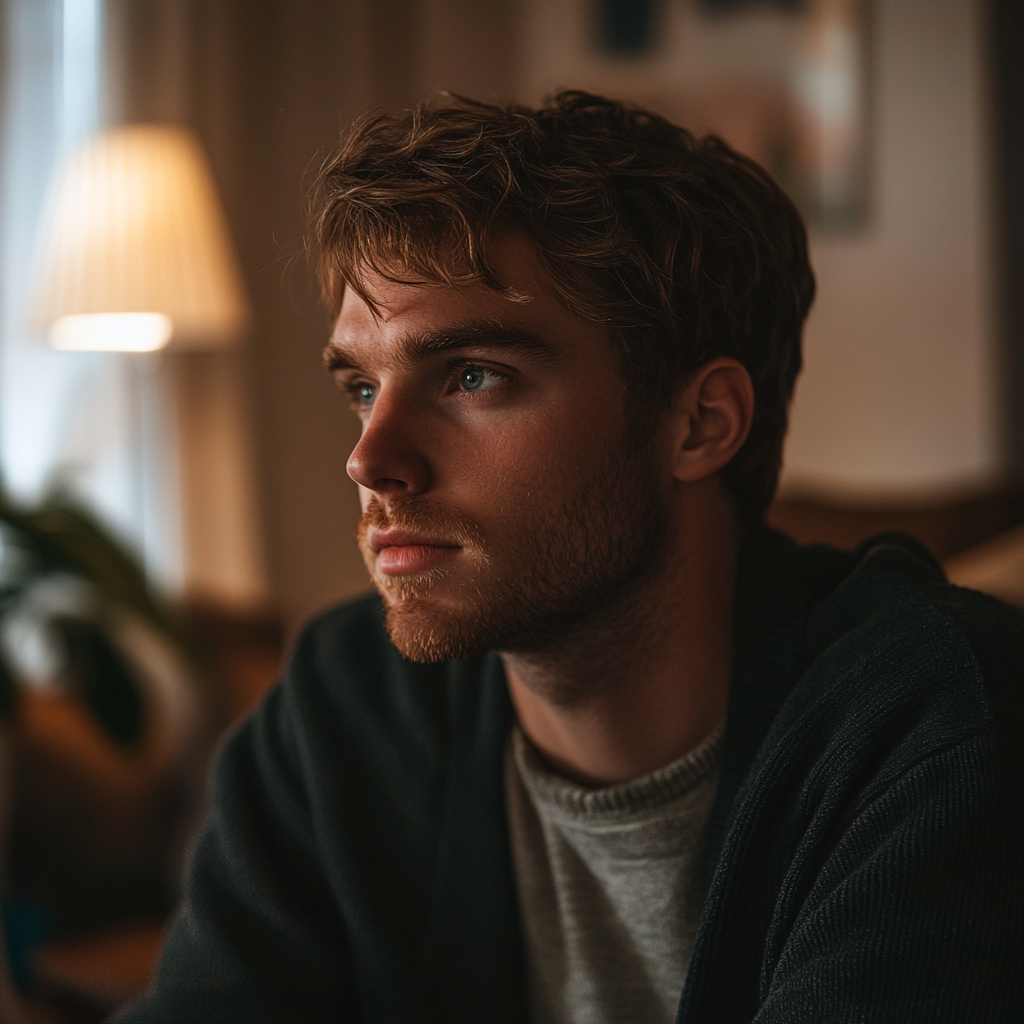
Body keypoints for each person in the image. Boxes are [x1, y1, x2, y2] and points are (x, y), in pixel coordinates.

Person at [116, 93, 1024, 1024]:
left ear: (700, 423)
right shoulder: (346, 700)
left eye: (473, 377)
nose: (369, 459)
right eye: (361, 385)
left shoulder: (938, 728)